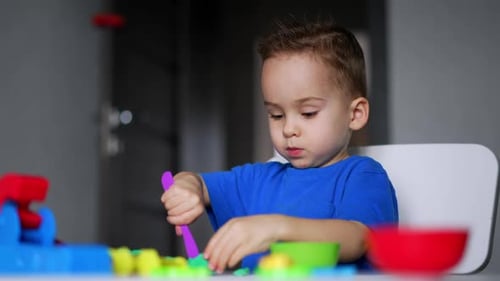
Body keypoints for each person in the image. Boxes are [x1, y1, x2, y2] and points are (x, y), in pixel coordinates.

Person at [161, 16, 398, 273]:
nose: (288, 129)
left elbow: (359, 238)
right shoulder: (257, 180)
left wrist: (276, 229)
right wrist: (187, 188)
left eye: (308, 113)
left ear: (355, 114)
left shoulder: (362, 176)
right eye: (276, 114)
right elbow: (200, 184)